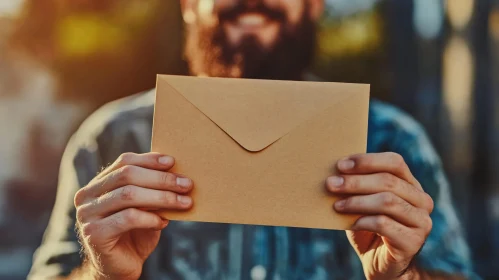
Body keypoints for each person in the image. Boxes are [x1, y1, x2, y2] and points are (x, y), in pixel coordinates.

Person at [29, 1, 474, 279]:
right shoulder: (110, 137)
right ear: (187, 4)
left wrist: (404, 275)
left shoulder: (392, 141)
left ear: (315, 5)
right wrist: (101, 274)